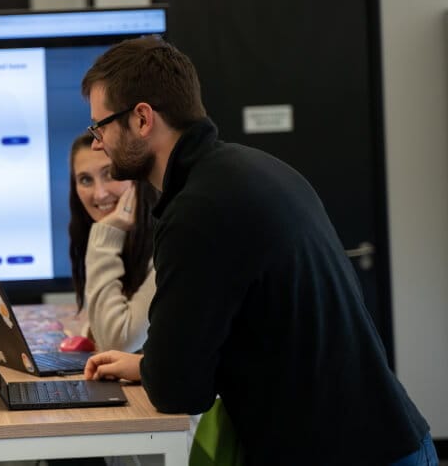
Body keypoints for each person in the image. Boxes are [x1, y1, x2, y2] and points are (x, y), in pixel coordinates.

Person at [80, 36, 435, 465]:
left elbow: (179, 391)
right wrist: (147, 366)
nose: (96, 142)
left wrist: (158, 369)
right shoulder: (252, 169)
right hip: (385, 439)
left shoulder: (198, 210)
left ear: (142, 119)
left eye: (100, 126)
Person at [68, 131, 158, 352]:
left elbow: (117, 343)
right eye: (85, 180)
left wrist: (105, 235)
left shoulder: (168, 245)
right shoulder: (122, 241)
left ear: (138, 177)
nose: (99, 194)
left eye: (111, 174)